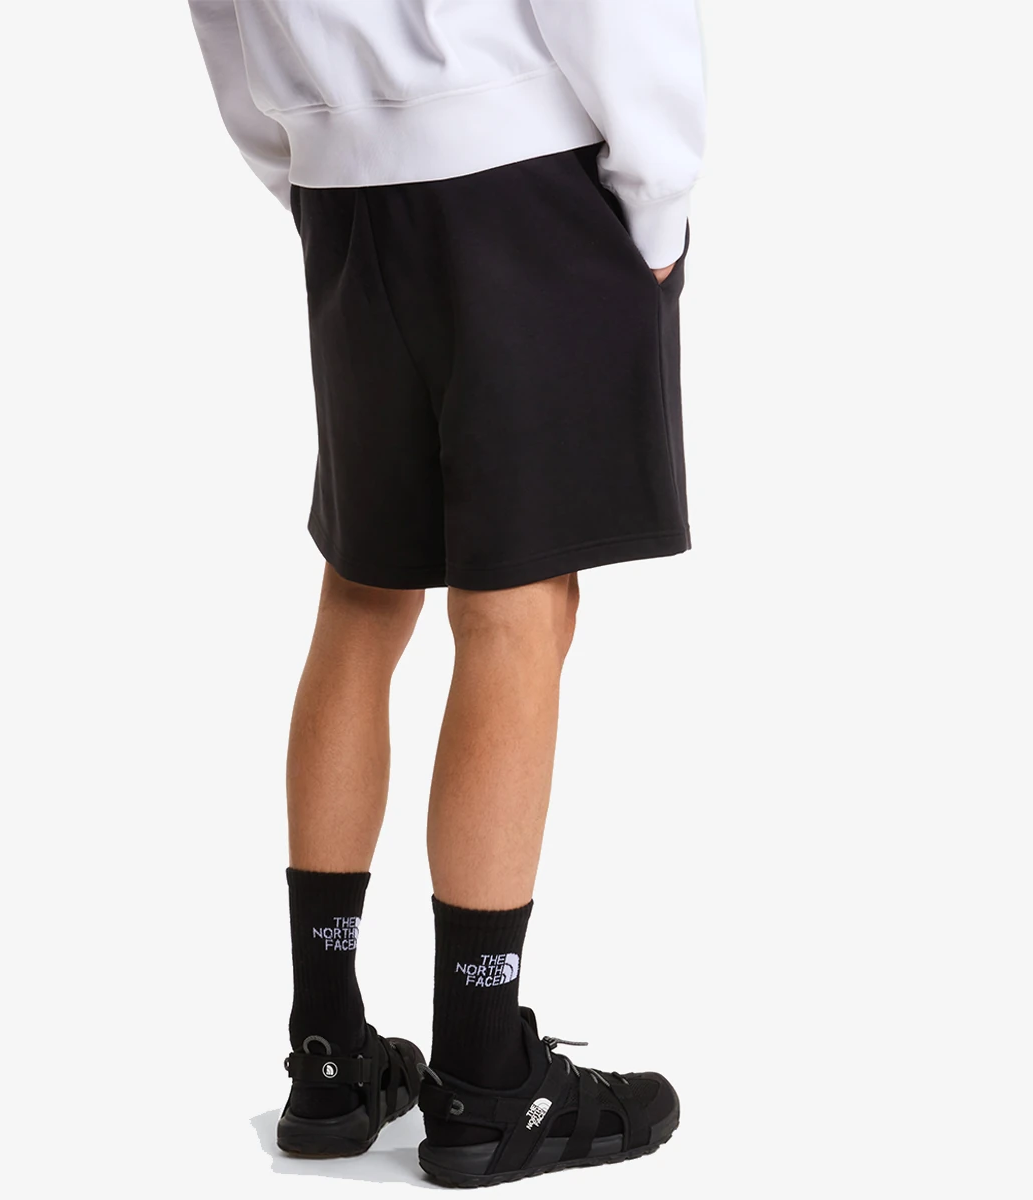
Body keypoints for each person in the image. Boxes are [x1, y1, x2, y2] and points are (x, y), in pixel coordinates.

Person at [188, 0, 705, 1186]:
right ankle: (484, 1081)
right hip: (523, 173)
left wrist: (315, 153)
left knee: (364, 594)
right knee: (518, 610)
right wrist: (660, 189)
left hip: (343, 180)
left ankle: (329, 1055)